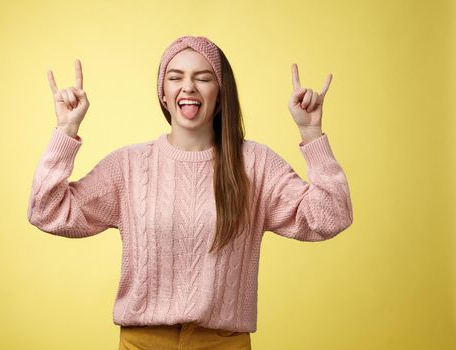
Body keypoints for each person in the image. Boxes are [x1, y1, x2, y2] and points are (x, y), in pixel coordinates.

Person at [27, 35, 353, 350]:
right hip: (143, 343)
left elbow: (331, 216)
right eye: (175, 77)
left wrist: (311, 134)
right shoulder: (129, 166)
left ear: (221, 93)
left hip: (224, 344)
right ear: (164, 94)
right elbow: (47, 211)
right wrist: (66, 130)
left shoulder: (255, 164)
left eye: (203, 78)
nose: (188, 87)